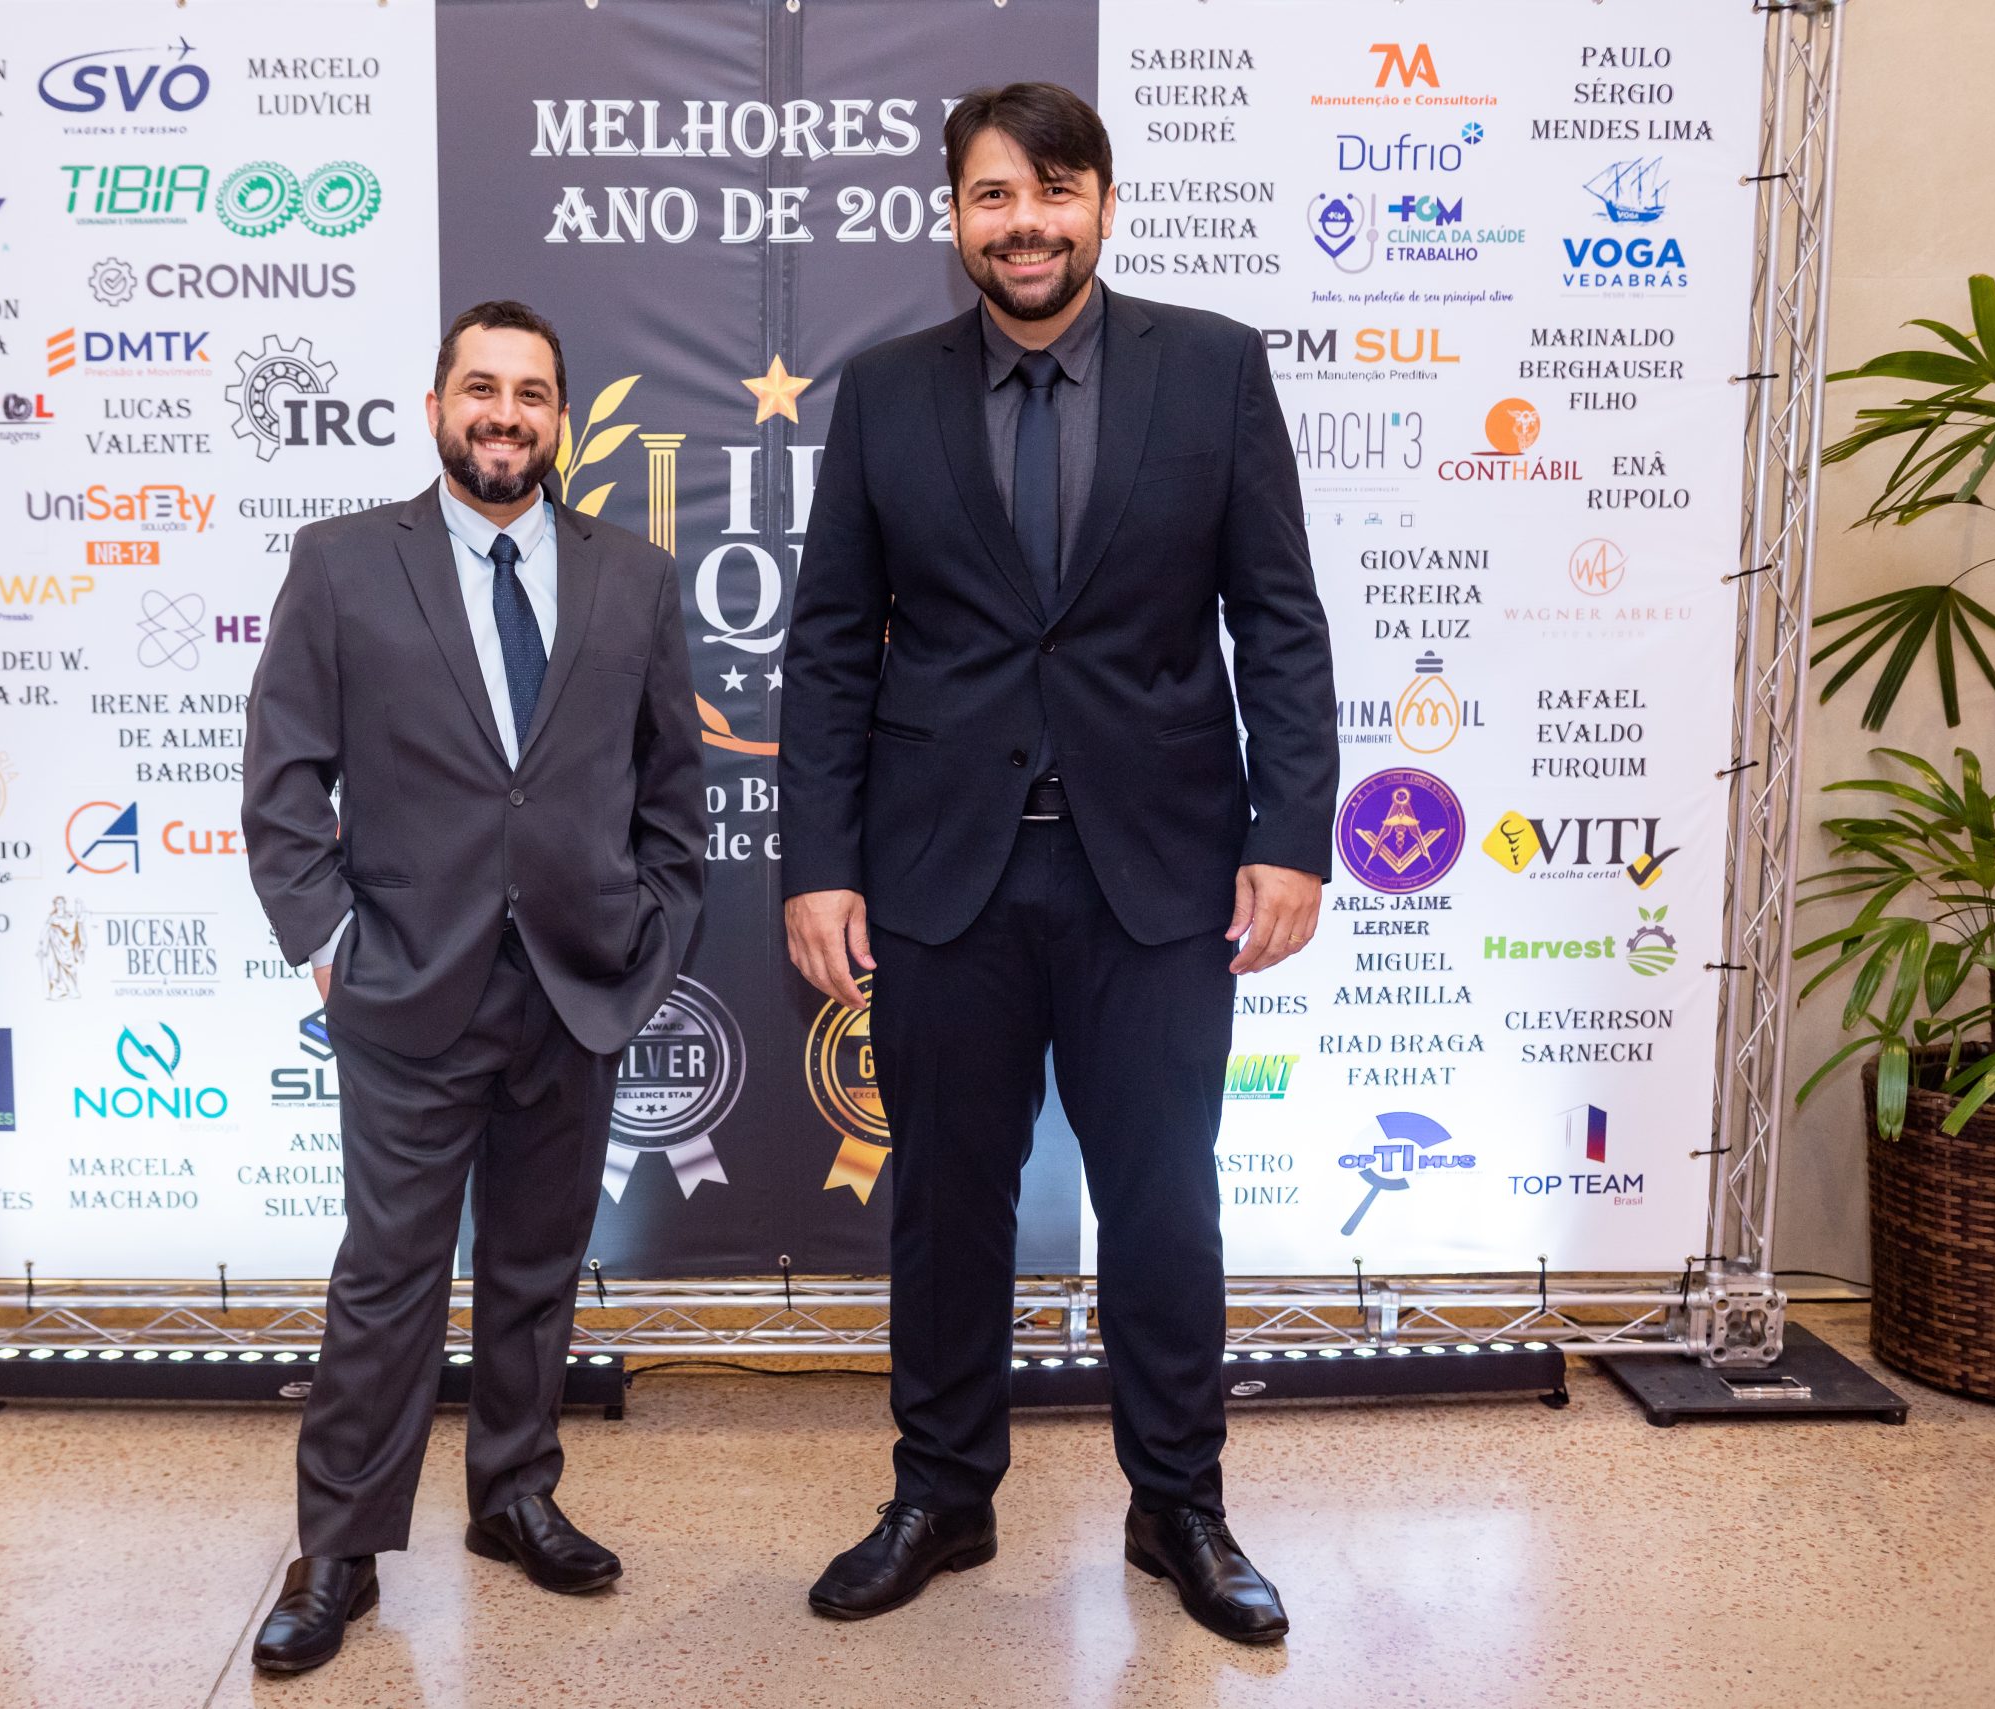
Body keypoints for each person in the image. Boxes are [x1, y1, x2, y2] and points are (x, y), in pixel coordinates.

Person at [777, 83, 1337, 1644]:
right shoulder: (885, 392)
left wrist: (1292, 835)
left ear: (1102, 204)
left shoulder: (1214, 369)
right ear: (955, 215)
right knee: (946, 1206)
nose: (1024, 225)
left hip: (1155, 877)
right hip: (940, 879)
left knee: (1163, 1202)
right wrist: (819, 863)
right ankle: (943, 1493)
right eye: (993, 196)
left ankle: (1180, 1505)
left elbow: (1278, 620)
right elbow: (830, 646)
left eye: (1053, 192)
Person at [239, 299, 706, 1675]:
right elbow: (281, 777)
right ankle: (340, 1547)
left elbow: (673, 788)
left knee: (536, 1265)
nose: (506, 415)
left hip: (576, 985)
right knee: (388, 1276)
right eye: (482, 389)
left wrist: (651, 936)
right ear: (437, 404)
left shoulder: (634, 577)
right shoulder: (342, 563)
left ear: (561, 417)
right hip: (407, 986)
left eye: (532, 393)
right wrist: (330, 938)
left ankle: (513, 1493)